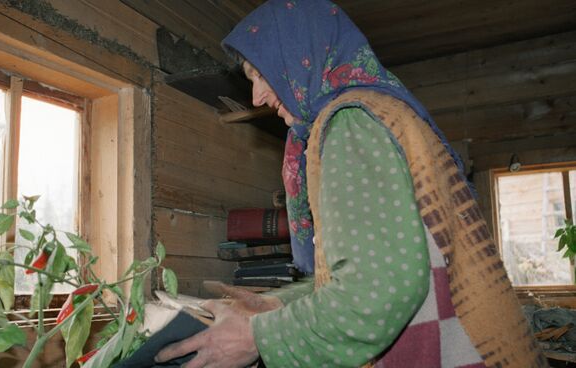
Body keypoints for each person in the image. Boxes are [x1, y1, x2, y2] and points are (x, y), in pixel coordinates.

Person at [155, 1, 548, 367]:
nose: (257, 96)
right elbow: (380, 267)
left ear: (295, 56)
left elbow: (373, 296)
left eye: (260, 74)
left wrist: (258, 338)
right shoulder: (379, 111)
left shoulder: (349, 124)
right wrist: (278, 303)